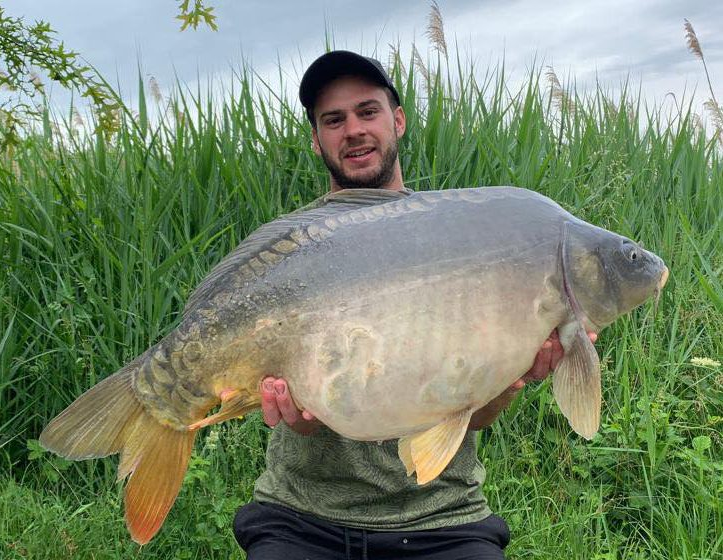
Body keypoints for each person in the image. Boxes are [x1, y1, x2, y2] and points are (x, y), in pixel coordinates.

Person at [232, 50, 596, 559]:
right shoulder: (295, 249)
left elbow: (477, 414)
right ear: (316, 139)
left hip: (443, 518)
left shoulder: (462, 238)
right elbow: (302, 413)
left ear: (397, 120)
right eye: (333, 120)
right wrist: (306, 414)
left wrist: (513, 376)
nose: (353, 130)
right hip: (300, 518)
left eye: (368, 111)